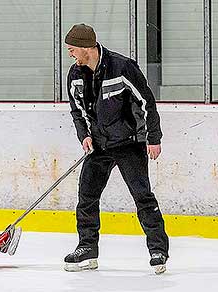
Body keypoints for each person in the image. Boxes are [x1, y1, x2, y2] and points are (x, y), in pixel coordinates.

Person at [63, 23, 169, 274]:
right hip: (99, 145)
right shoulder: (75, 74)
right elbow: (77, 111)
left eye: (72, 49)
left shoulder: (122, 67)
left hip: (129, 143)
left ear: (86, 48)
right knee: (87, 196)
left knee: (142, 196)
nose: (70, 54)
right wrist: (85, 136)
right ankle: (87, 248)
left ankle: (158, 249)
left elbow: (147, 103)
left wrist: (153, 138)